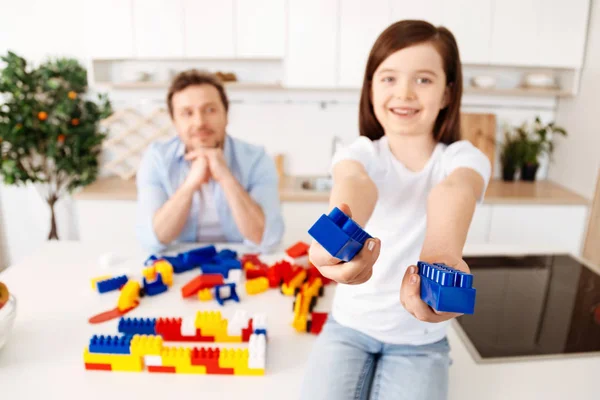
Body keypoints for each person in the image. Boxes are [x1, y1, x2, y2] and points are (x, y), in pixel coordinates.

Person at [301, 20, 491, 400]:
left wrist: (441, 255)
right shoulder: (358, 154)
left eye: (423, 79)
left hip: (420, 339)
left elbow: (454, 190)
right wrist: (338, 233)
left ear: (447, 93)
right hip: (348, 328)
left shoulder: (463, 159)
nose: (404, 92)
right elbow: (355, 184)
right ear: (370, 87)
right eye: (388, 78)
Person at [135, 70, 284, 254]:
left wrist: (225, 177)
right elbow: (152, 239)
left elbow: (267, 239)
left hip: (242, 264)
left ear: (226, 114)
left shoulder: (256, 159)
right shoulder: (156, 159)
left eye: (210, 110)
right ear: (174, 121)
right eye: (187, 113)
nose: (200, 122)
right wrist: (190, 184)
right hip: (179, 266)